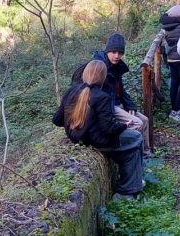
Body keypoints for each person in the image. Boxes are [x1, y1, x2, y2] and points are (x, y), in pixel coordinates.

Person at [55, 60, 145, 200]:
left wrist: (76, 123)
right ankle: (127, 191)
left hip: (79, 139)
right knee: (136, 138)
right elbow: (108, 129)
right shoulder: (102, 97)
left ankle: (135, 182)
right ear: (103, 77)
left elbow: (57, 119)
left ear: (85, 74)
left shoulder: (72, 91)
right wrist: (125, 125)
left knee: (131, 144)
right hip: (98, 141)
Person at [71, 33, 151, 157]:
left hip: (117, 103)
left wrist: (130, 105)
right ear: (107, 51)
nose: (117, 56)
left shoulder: (116, 66)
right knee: (137, 124)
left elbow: (120, 90)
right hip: (109, 105)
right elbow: (94, 94)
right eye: (113, 52)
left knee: (145, 120)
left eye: (120, 53)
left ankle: (146, 153)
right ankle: (135, 156)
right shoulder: (99, 66)